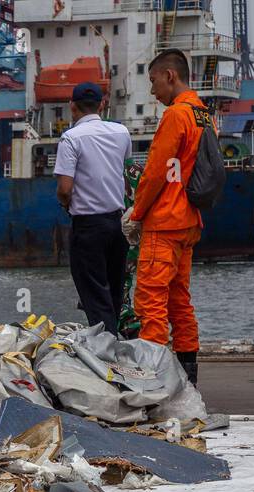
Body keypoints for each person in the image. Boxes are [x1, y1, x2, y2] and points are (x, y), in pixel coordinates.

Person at [124, 50, 212, 385]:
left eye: (154, 81)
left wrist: (137, 213)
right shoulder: (202, 114)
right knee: (180, 301)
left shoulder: (176, 115)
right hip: (189, 221)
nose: (152, 90)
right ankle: (189, 378)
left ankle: (154, 380)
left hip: (165, 221)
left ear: (170, 76)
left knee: (150, 301)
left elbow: (155, 172)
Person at [54, 81, 131, 334]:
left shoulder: (70, 138)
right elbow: (122, 167)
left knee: (94, 294)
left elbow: (65, 189)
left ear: (72, 107)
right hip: (117, 224)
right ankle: (115, 343)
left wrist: (66, 204)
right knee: (114, 292)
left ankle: (105, 352)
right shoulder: (121, 133)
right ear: (103, 104)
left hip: (87, 227)